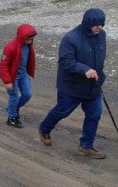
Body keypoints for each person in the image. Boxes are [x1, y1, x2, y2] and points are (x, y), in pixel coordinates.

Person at [38, 9, 107, 159]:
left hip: (93, 85)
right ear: (88, 23)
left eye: (101, 24)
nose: (99, 27)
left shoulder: (102, 35)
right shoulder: (71, 38)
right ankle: (44, 128)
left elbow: (100, 56)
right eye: (96, 25)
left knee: (94, 114)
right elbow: (65, 61)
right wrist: (85, 69)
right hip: (71, 86)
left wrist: (98, 74)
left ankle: (86, 146)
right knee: (63, 111)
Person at [0, 24, 37, 128]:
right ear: (22, 37)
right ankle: (11, 117)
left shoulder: (28, 46)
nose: (30, 42)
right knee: (14, 96)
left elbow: (29, 60)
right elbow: (3, 65)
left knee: (27, 94)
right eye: (28, 39)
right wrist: (7, 81)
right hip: (13, 77)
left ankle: (13, 109)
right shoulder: (10, 47)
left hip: (23, 74)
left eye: (31, 39)